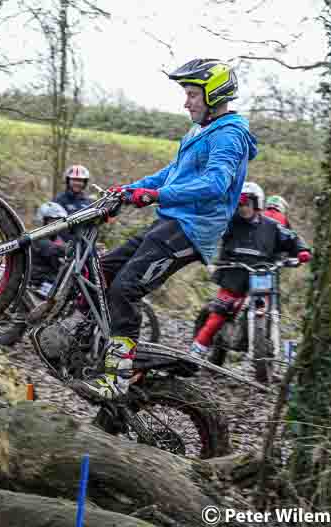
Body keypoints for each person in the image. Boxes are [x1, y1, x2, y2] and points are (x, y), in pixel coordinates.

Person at [71, 58, 258, 401]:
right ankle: (89, 342)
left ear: (213, 95)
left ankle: (117, 376)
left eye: (191, 94)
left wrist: (155, 195)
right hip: (170, 222)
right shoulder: (200, 131)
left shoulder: (230, 136)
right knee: (100, 271)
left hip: (192, 229)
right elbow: (170, 174)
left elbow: (215, 185)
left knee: (125, 290)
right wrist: (127, 190)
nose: (185, 102)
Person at [190, 182, 311, 364]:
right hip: (234, 274)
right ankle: (195, 352)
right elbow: (211, 232)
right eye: (239, 205)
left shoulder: (272, 226)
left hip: (262, 274)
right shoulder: (230, 223)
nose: (243, 209)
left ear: (257, 204)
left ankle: (264, 348)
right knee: (219, 313)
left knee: (268, 304)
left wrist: (302, 250)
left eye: (247, 204)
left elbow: (291, 237)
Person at [31, 201, 69, 295]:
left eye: (58, 221)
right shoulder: (37, 237)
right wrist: (73, 249)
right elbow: (52, 250)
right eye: (52, 221)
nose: (56, 224)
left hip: (51, 280)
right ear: (43, 221)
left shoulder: (57, 238)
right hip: (37, 282)